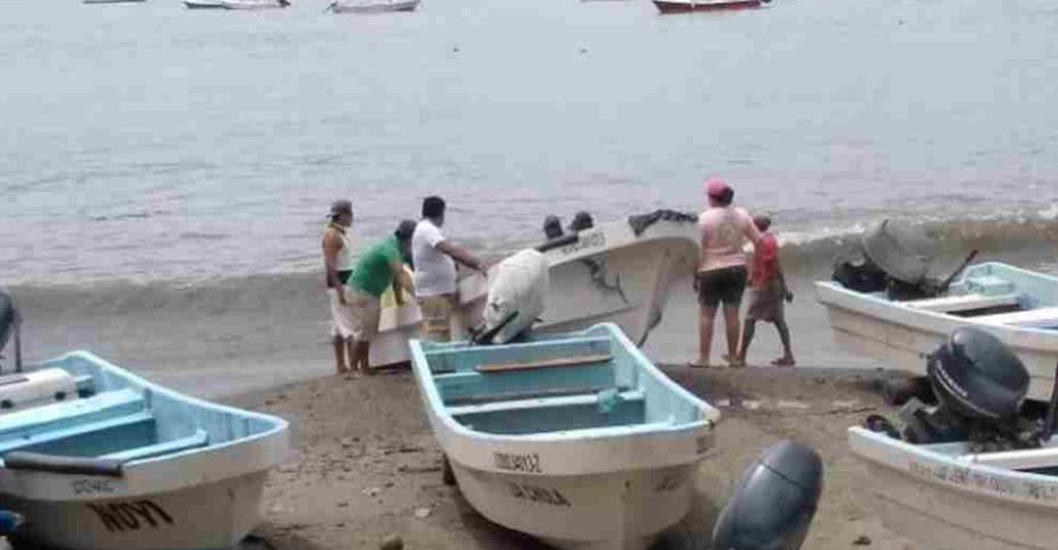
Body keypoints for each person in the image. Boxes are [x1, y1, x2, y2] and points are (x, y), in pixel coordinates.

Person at [691, 178, 762, 368]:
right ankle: (733, 357)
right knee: (732, 315)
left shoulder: (704, 219)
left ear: (711, 198)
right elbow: (759, 241)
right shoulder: (742, 215)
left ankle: (704, 358)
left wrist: (695, 272)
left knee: (707, 316)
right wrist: (753, 266)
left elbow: (699, 249)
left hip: (710, 270)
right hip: (737, 268)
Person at [344, 220, 417, 377]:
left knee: (369, 330)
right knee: (364, 331)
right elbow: (401, 275)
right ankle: (352, 370)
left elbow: (395, 279)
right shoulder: (390, 249)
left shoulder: (396, 248)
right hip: (362, 291)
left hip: (368, 292)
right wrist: (417, 296)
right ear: (407, 238)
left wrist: (399, 300)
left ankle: (364, 367)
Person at [412, 196, 488, 342]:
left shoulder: (426, 229)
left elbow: (442, 255)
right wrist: (476, 264)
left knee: (442, 333)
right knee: (437, 336)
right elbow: (450, 250)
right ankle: (437, 364)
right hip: (434, 293)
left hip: (438, 292)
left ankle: (441, 362)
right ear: (441, 212)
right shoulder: (428, 229)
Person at [737, 215, 795, 367]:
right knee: (778, 320)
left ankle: (741, 357)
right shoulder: (768, 239)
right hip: (768, 284)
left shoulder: (764, 242)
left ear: (756, 226)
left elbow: (775, 266)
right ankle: (788, 355)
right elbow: (764, 263)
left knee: (750, 319)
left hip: (765, 286)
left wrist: (784, 288)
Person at [321, 200, 356, 374]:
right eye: (350, 214)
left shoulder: (340, 233)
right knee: (348, 325)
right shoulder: (332, 235)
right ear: (342, 215)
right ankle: (352, 366)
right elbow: (330, 266)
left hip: (345, 281)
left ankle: (341, 365)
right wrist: (341, 290)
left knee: (338, 326)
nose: (352, 217)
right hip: (340, 284)